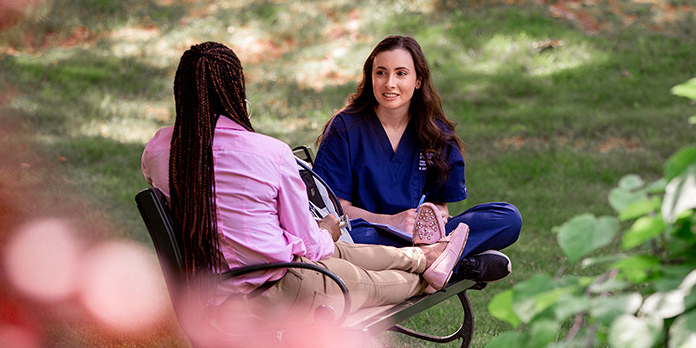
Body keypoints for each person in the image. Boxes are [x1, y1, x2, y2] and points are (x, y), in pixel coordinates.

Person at [141, 42, 469, 326]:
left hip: (217, 291)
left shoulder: (159, 151)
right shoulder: (269, 154)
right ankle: (433, 268)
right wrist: (327, 228)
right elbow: (312, 247)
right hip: (276, 292)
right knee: (365, 279)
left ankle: (425, 256)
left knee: (342, 254)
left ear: (181, 91)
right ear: (235, 91)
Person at [312, 35, 522, 283]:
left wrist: (433, 216)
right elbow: (335, 212)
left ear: (418, 80)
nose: (390, 83)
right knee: (356, 241)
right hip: (369, 233)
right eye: (381, 73)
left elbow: (442, 207)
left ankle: (430, 257)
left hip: (422, 235)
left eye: (401, 73)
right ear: (371, 78)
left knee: (507, 217)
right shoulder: (346, 128)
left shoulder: (435, 131)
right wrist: (391, 221)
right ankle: (455, 262)